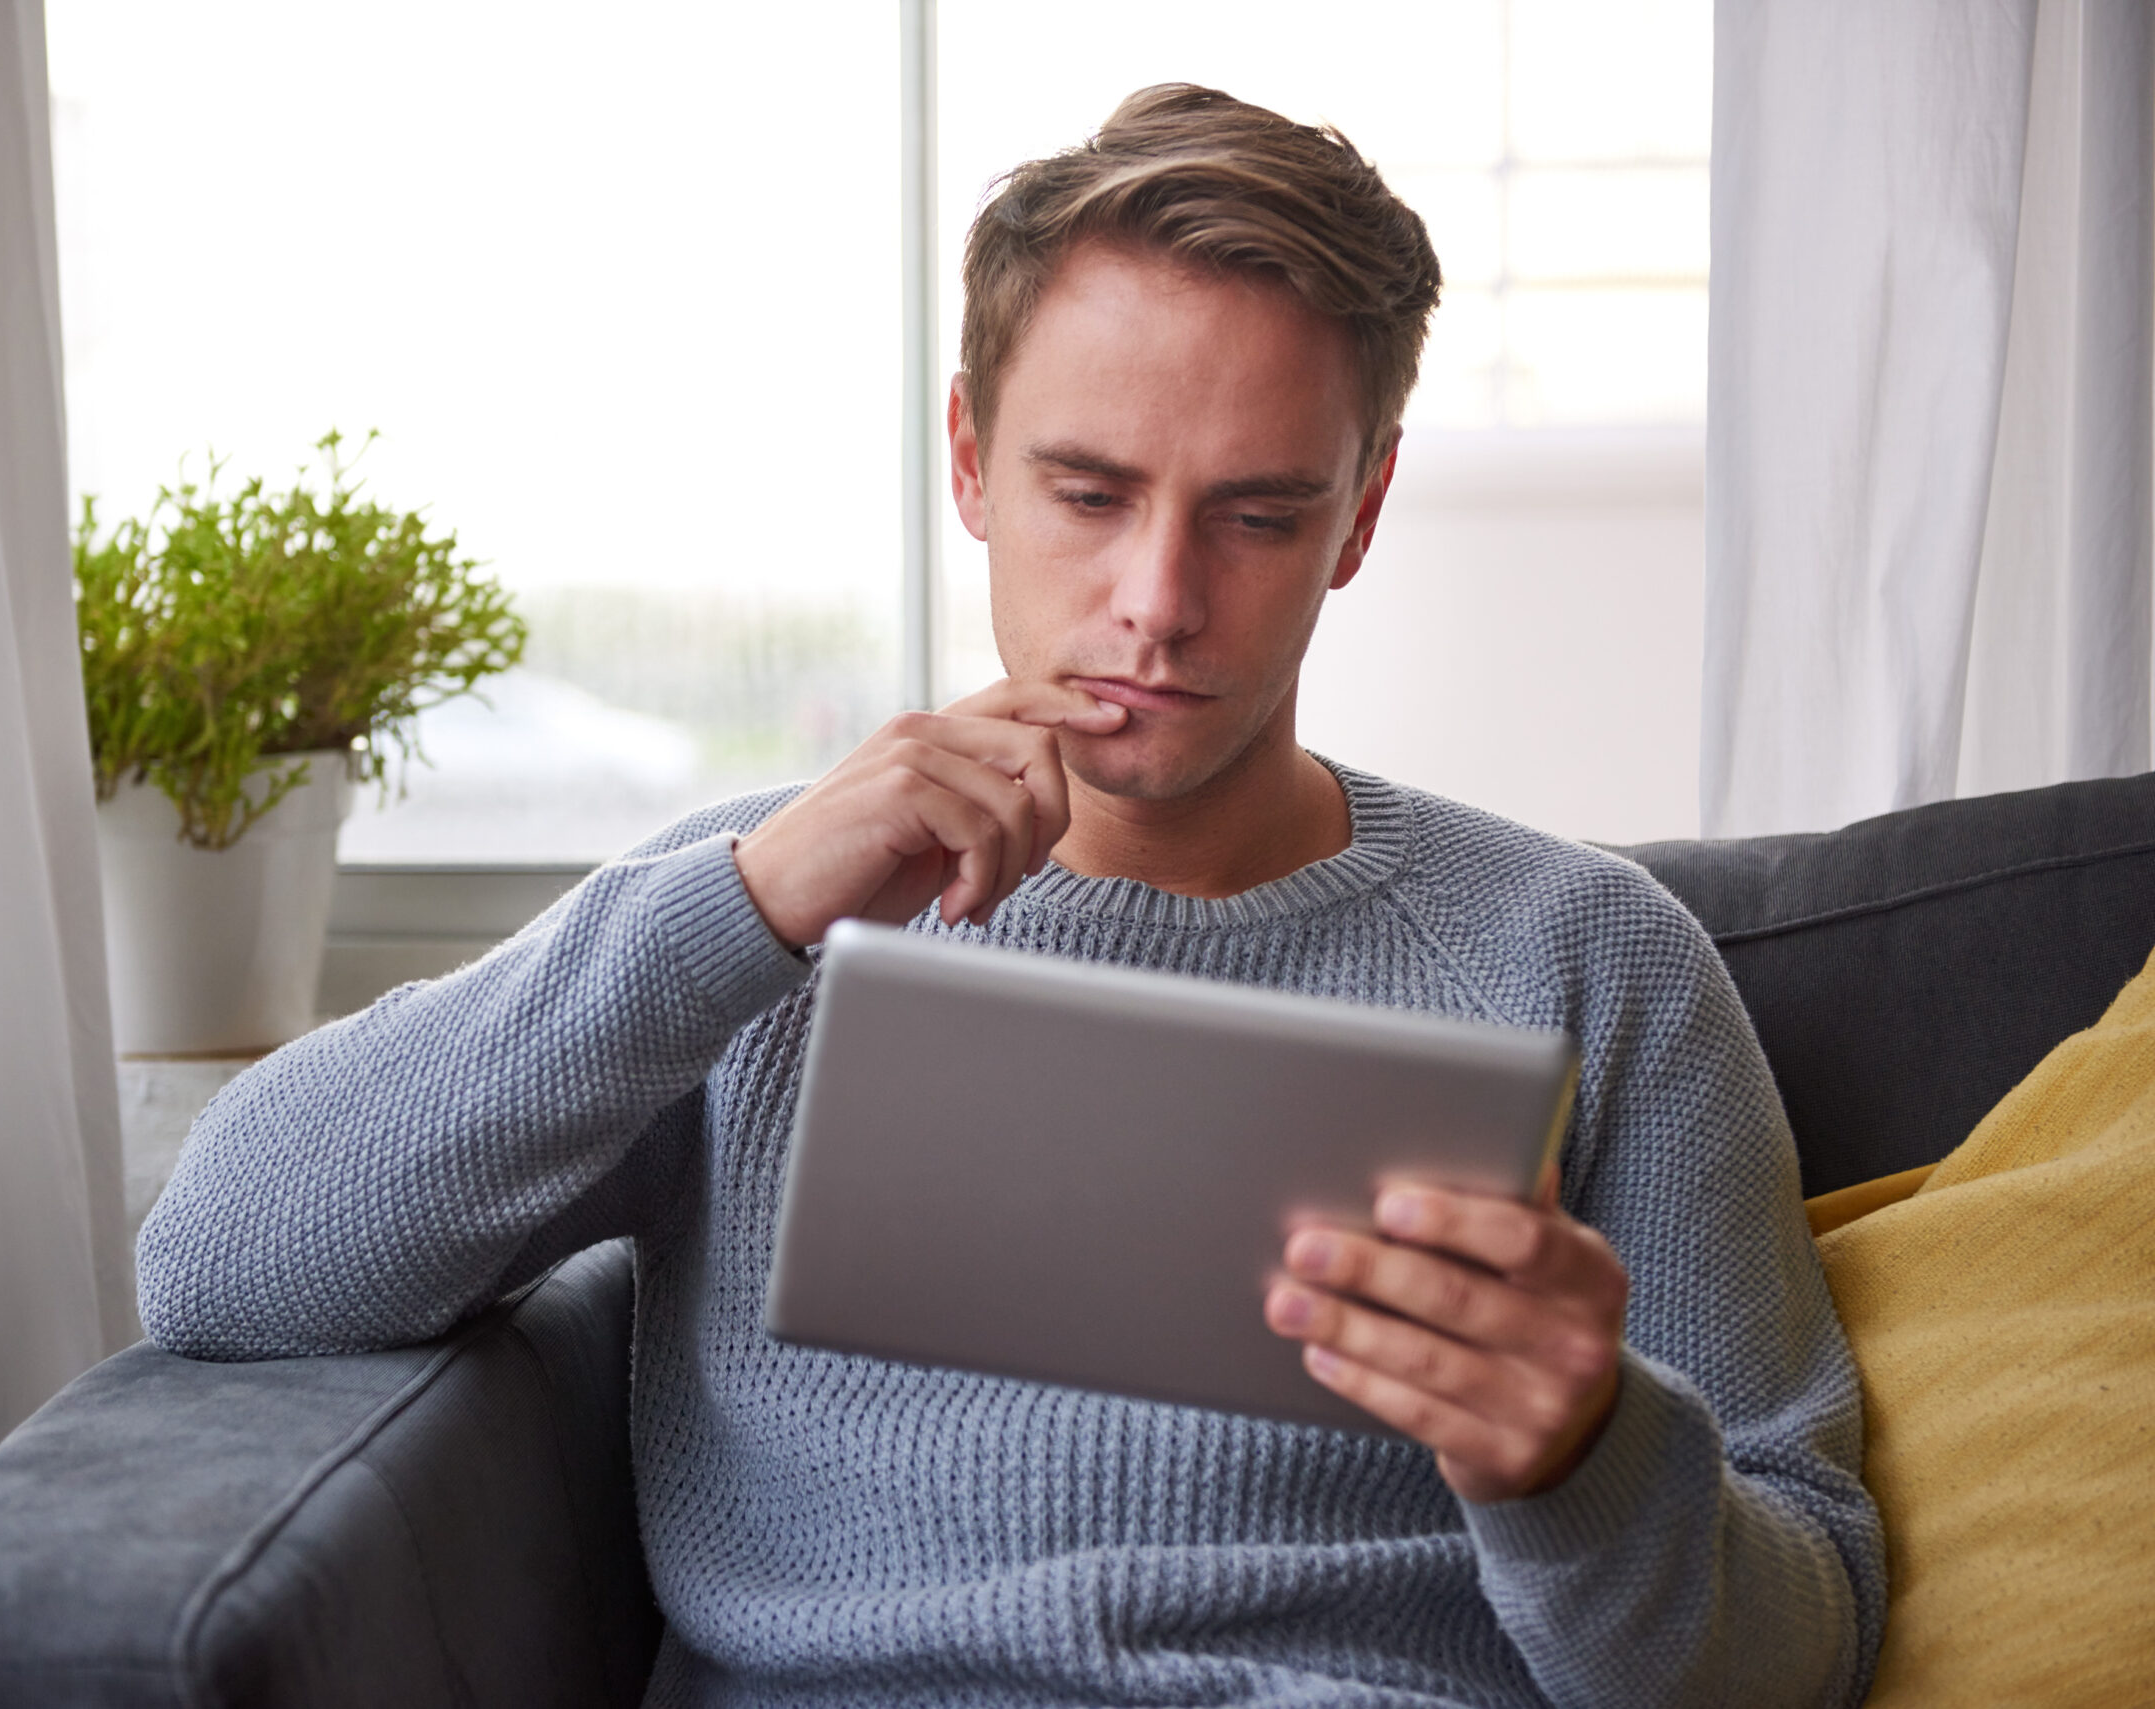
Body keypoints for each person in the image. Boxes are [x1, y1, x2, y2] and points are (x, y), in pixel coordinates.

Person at [137, 84, 1883, 1708]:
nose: (1157, 600)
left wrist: (1585, 1464)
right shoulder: (754, 920)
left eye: (1259, 516)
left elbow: (1807, 1630)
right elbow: (222, 1261)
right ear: (970, 460)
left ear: (1362, 512)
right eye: (1089, 490)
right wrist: (740, 913)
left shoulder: (1587, 963)